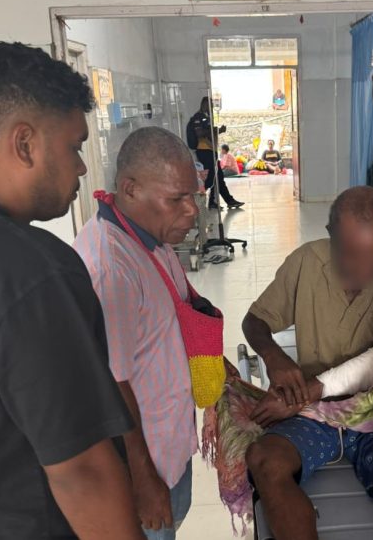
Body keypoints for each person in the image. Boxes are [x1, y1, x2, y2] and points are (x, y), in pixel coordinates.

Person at [0, 42, 142, 539]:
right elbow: (81, 472)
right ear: (25, 143)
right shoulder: (32, 272)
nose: (82, 168)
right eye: (74, 146)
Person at [242, 186, 373, 540]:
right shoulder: (305, 262)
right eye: (353, 254)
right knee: (264, 460)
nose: (367, 269)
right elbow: (254, 321)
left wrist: (309, 390)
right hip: (316, 412)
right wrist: (274, 356)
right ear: (331, 236)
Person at [74, 127, 235, 539]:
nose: (192, 211)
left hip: (168, 446)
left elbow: (175, 316)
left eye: (193, 196)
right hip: (140, 469)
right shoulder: (112, 268)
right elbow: (111, 383)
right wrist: (143, 479)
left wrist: (221, 369)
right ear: (131, 189)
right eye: (177, 199)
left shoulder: (151, 239)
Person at [189, 97, 243, 210]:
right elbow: (199, 133)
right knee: (211, 178)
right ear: (204, 105)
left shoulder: (206, 117)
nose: (212, 107)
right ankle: (199, 200)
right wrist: (215, 130)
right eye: (210, 105)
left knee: (217, 177)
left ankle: (227, 200)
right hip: (204, 151)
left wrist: (218, 130)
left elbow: (208, 132)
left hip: (210, 150)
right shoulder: (198, 117)